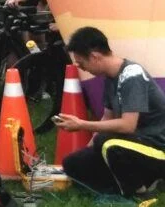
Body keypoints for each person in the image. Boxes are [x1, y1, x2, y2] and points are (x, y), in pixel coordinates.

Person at [59, 27, 165, 198]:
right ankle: (129, 184)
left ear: (94, 57)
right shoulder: (111, 76)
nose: (81, 68)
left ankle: (139, 193)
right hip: (135, 145)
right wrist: (88, 151)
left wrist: (81, 124)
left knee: (107, 143)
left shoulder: (132, 76)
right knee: (71, 163)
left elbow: (128, 126)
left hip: (157, 148)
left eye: (81, 63)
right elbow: (107, 118)